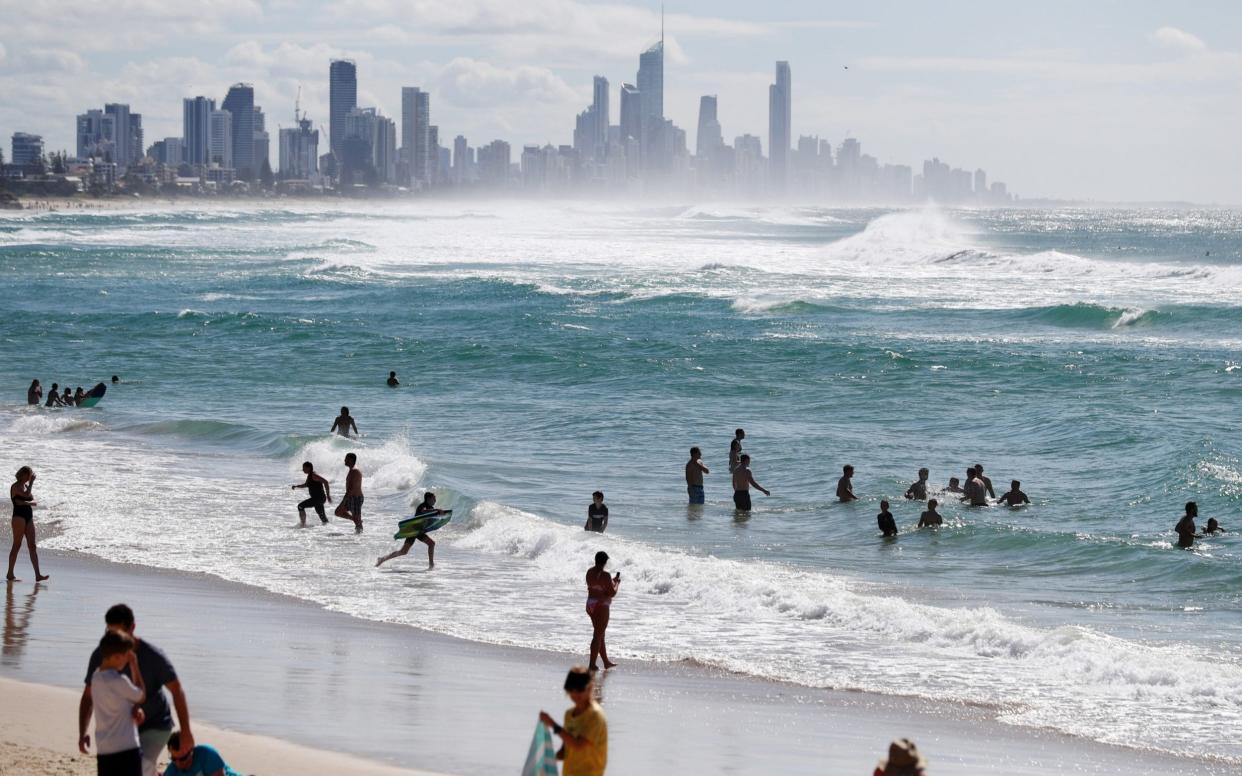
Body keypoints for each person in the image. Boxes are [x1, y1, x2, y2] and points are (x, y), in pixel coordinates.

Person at [79, 604, 195, 776]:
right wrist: (82, 732)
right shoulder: (104, 654)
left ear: (132, 627)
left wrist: (186, 731)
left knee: (142, 767)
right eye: (110, 633)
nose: (115, 640)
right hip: (122, 730)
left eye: (119, 633)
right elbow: (88, 696)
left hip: (156, 723)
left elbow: (177, 691)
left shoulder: (153, 656)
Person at [82, 630, 146, 776]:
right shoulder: (119, 681)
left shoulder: (96, 677)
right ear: (117, 657)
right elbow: (141, 695)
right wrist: (134, 665)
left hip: (105, 749)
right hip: (127, 748)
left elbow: (118, 702)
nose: (127, 659)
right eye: (126, 656)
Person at [539, 666, 608, 776]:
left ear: (589, 688)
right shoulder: (569, 714)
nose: (575, 694)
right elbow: (565, 749)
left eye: (580, 689)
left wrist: (552, 724)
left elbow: (578, 745)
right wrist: (548, 762)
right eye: (571, 689)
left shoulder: (595, 715)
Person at [378, 492, 442, 568]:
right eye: (433, 498)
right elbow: (423, 512)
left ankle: (382, 559)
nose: (435, 500)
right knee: (405, 551)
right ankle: (382, 559)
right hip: (413, 530)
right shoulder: (422, 506)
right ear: (428, 499)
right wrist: (437, 511)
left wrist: (440, 514)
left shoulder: (431, 508)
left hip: (419, 531)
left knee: (404, 551)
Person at [7, 466, 47, 581]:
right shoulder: (15, 486)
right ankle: (10, 573)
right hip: (18, 517)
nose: (30, 477)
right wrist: (31, 485)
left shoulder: (26, 486)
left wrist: (25, 502)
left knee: (32, 545)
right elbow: (25, 496)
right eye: (29, 474)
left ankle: (38, 575)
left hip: (29, 516)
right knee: (17, 545)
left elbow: (33, 501)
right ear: (23, 474)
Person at [585, 551, 620, 670]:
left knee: (600, 635)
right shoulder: (605, 575)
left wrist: (611, 582)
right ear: (605, 562)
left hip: (590, 604)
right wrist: (616, 584)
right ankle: (591, 665)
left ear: (595, 560)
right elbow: (612, 593)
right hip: (601, 606)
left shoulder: (589, 572)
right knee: (597, 635)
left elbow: (596, 587)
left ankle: (605, 662)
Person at [161, 732, 241, 776]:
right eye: (174, 759)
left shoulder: (206, 754)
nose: (178, 763)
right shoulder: (172, 770)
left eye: (182, 758)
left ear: (191, 751)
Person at [291, 462, 331, 526]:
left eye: (304, 468)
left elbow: (325, 482)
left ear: (309, 468)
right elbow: (306, 485)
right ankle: (328, 528)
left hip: (318, 498)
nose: (303, 469)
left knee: (300, 506)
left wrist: (328, 495)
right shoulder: (310, 476)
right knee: (323, 518)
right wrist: (297, 486)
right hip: (319, 499)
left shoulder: (313, 475)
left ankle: (303, 525)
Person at [334, 453, 363, 530]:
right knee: (338, 512)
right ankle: (355, 520)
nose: (344, 460)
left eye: (346, 459)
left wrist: (344, 500)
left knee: (357, 522)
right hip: (350, 497)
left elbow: (353, 488)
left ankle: (359, 538)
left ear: (351, 460)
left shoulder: (355, 471)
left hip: (355, 498)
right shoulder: (351, 470)